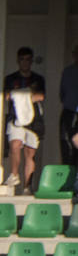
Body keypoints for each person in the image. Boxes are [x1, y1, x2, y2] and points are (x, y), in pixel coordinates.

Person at [4, 47, 46, 191]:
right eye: (22, 59)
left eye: (28, 59)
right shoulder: (10, 79)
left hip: (34, 119)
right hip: (15, 117)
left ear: (32, 61)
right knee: (15, 145)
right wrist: (26, 95)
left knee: (30, 152)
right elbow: (7, 95)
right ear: (18, 61)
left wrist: (21, 96)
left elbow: (41, 96)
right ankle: (14, 174)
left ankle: (27, 187)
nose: (25, 62)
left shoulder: (38, 79)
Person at [60, 45, 78, 184]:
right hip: (69, 111)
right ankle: (68, 179)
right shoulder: (68, 71)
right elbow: (62, 93)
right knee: (66, 143)